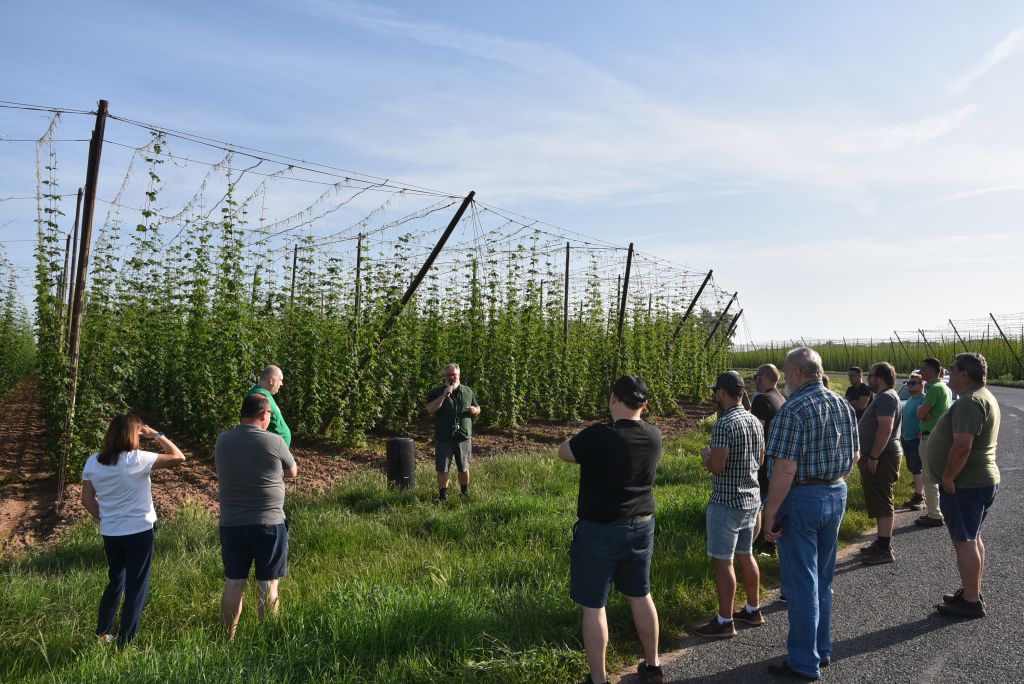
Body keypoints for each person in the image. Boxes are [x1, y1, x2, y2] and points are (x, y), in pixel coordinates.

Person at [558, 376, 663, 684]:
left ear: (614, 398)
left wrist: (589, 434)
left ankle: (599, 679)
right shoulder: (654, 435)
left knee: (593, 604)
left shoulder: (599, 435)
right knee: (640, 593)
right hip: (641, 525)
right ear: (644, 404)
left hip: (600, 530)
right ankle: (653, 665)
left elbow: (564, 452)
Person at [763, 347, 858, 681]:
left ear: (798, 374)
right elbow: (855, 454)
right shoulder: (842, 403)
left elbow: (784, 469)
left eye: (788, 373)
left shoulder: (793, 410)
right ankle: (822, 648)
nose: (786, 380)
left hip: (802, 496)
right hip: (836, 491)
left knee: (802, 582)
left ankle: (804, 662)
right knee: (822, 578)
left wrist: (770, 511)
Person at [80, 415, 185, 645]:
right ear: (132, 435)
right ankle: (125, 642)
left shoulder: (93, 461)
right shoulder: (138, 458)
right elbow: (179, 457)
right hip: (139, 531)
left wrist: (105, 517)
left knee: (115, 580)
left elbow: (86, 499)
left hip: (111, 532)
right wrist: (156, 434)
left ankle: (103, 633)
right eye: (138, 433)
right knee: (136, 586)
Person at [215, 393, 297, 640]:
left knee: (234, 583)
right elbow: (292, 471)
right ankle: (268, 639)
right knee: (268, 584)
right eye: (269, 415)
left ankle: (227, 639)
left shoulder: (223, 440)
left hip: (232, 524)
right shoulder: (274, 441)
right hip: (268, 524)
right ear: (263, 414)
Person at [927, 353, 1000, 619]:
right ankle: (972, 591)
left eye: (952, 371)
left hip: (966, 484)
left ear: (964, 374)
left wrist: (947, 478)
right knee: (973, 538)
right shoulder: (981, 396)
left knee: (965, 541)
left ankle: (970, 601)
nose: (949, 375)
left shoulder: (970, 402)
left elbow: (962, 446)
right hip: (977, 481)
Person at [694, 371, 766, 638]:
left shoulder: (724, 424)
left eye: (716, 391)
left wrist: (706, 457)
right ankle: (753, 609)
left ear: (723, 392)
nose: (714, 395)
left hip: (726, 502)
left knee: (723, 562)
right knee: (746, 554)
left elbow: (717, 466)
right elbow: (759, 461)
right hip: (751, 499)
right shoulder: (754, 421)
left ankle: (725, 621)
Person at [857, 362, 903, 565]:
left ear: (880, 377)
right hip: (880, 455)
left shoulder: (885, 397)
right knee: (879, 498)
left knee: (883, 500)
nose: (868, 378)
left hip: (882, 457)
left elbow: (885, 428)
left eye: (871, 375)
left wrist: (874, 456)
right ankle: (881, 542)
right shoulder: (885, 396)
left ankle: (884, 549)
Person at [425, 363, 480, 501]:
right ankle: (443, 497)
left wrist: (475, 410)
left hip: (463, 437)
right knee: (443, 468)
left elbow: (478, 408)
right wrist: (444, 395)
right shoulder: (437, 392)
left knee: (464, 467)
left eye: (454, 374)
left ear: (459, 375)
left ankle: (464, 493)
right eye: (448, 375)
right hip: (444, 437)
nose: (451, 377)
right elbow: (430, 409)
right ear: (444, 376)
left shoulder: (468, 391)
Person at [750, 364, 786, 557]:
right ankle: (771, 543)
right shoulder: (780, 398)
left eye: (756, 376)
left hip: (763, 461)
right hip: (777, 460)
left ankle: (760, 544)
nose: (755, 380)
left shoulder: (762, 400)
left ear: (763, 377)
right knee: (774, 502)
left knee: (760, 504)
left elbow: (756, 432)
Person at [916, 357, 952, 527]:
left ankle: (934, 514)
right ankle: (939, 510)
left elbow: (921, 414)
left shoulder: (933, 389)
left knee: (929, 477)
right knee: (937, 475)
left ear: (930, 371)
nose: (920, 372)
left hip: (930, 437)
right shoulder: (944, 387)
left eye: (923, 369)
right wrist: (924, 413)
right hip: (937, 436)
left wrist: (921, 411)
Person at [900, 372, 927, 511]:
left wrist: (921, 431)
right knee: (913, 467)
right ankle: (918, 494)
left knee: (917, 468)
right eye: (908, 383)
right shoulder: (910, 399)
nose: (909, 385)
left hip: (916, 439)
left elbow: (929, 417)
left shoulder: (924, 399)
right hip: (907, 438)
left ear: (922, 385)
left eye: (913, 383)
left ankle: (920, 497)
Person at [247, 364, 291, 447]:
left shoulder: (265, 393)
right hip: (270, 450)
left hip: (276, 448)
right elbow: (254, 426)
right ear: (271, 380)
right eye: (280, 380)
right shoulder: (259, 396)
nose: (281, 384)